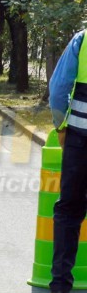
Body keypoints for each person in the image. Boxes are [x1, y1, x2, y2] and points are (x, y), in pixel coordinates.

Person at [49, 29, 87, 293]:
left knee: (69, 210)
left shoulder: (83, 39)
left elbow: (59, 87)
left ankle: (60, 284)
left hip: (80, 139)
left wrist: (61, 125)